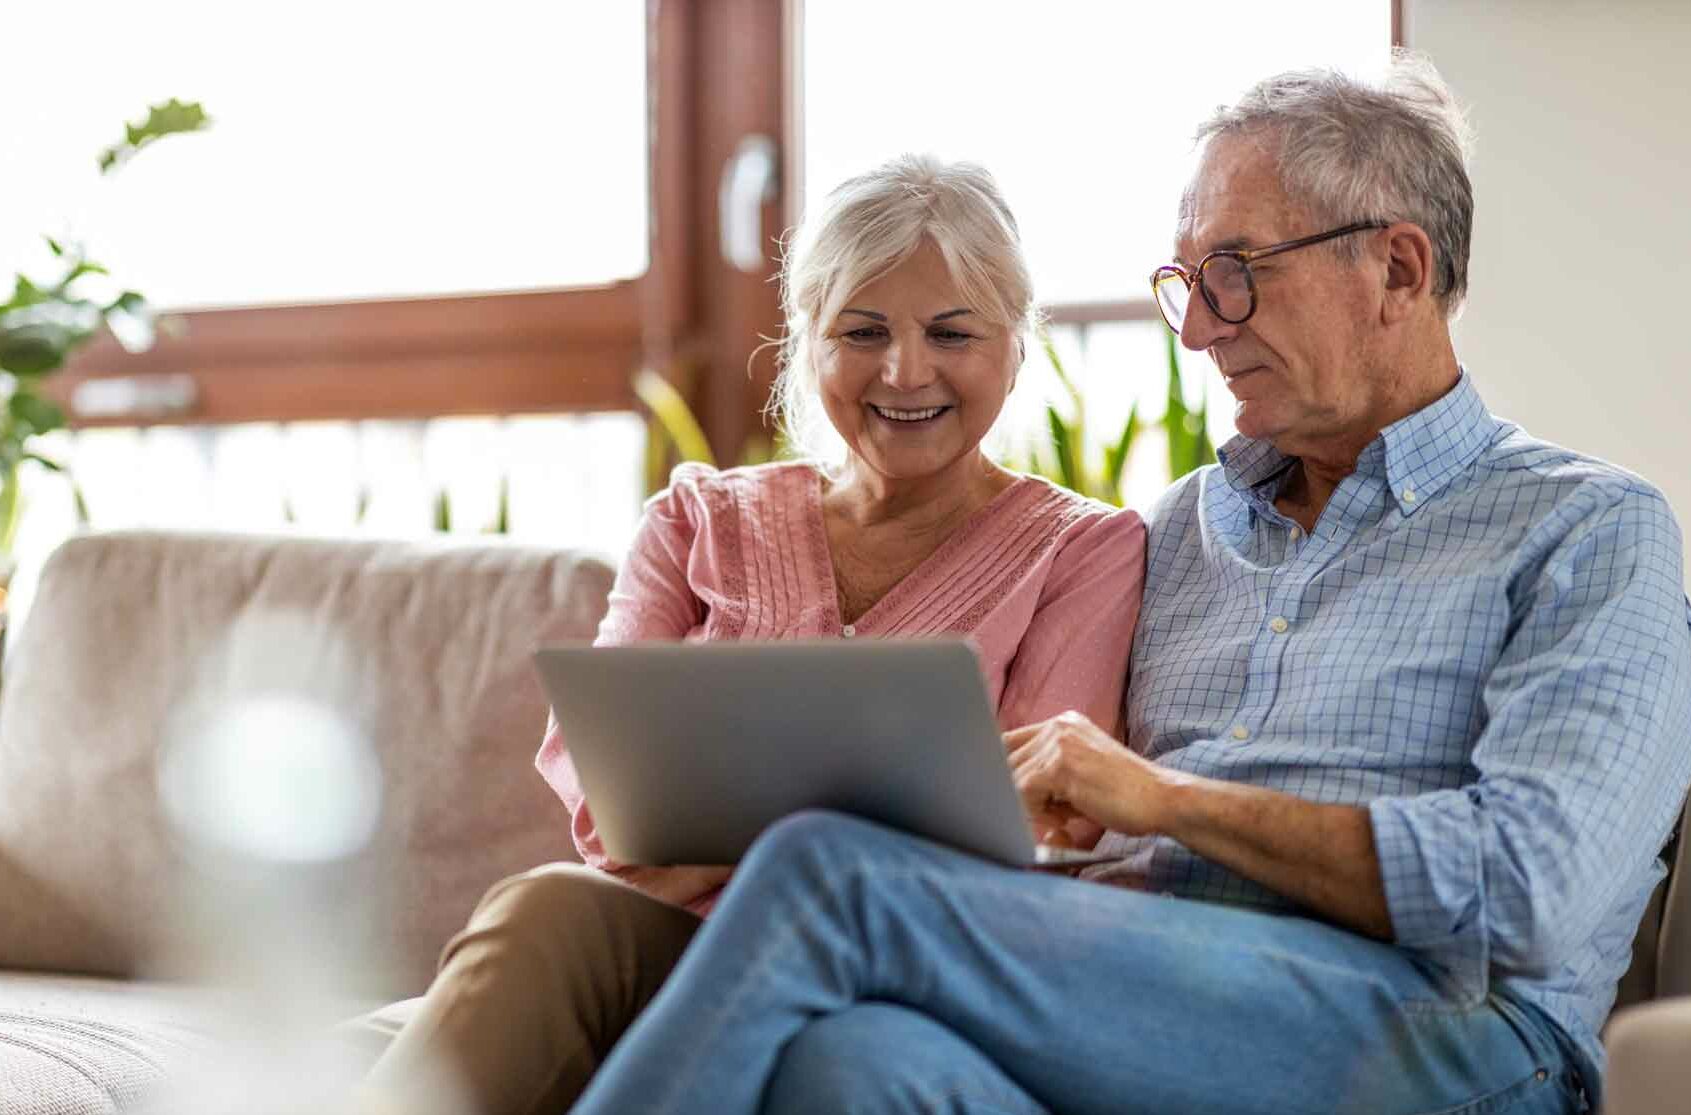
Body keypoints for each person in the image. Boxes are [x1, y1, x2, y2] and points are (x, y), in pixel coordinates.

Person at [567, 54, 1691, 1115]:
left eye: (1234, 276)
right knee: (851, 1064)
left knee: (829, 873)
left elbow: (1531, 890)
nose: (1199, 329)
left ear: (1395, 268)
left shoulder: (1584, 529)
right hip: (1150, 997)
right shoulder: (1171, 532)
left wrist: (1156, 798)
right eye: (1185, 283)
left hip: (1448, 1029)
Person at [357, 154, 1146, 1115]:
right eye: (861, 331)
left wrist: (733, 842)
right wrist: (842, 828)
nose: (904, 371)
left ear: (1016, 347)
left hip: (893, 977)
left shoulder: (1083, 549)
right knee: (550, 905)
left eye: (952, 332)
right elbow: (616, 818)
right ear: (805, 344)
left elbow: (1027, 831)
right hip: (676, 950)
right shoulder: (695, 519)